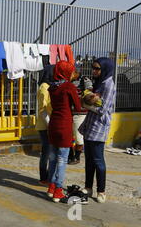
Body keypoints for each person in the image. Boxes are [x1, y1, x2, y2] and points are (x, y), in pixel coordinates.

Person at [78, 57, 116, 203]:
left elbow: (103, 109)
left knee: (98, 159)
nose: (94, 71)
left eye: (97, 68)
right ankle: (88, 187)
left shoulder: (108, 85)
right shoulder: (99, 83)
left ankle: (101, 191)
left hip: (99, 126)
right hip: (90, 124)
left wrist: (86, 105)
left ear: (104, 69)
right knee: (88, 159)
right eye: (93, 68)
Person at [46, 61, 82, 203]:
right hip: (65, 125)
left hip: (53, 124)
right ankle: (58, 190)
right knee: (62, 159)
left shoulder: (52, 87)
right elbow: (78, 106)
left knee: (53, 158)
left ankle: (51, 187)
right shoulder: (69, 87)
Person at [36, 65, 55, 185]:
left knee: (49, 151)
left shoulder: (50, 86)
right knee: (46, 152)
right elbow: (42, 109)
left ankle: (47, 176)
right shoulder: (44, 87)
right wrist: (49, 125)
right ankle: (44, 177)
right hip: (45, 125)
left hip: (49, 123)